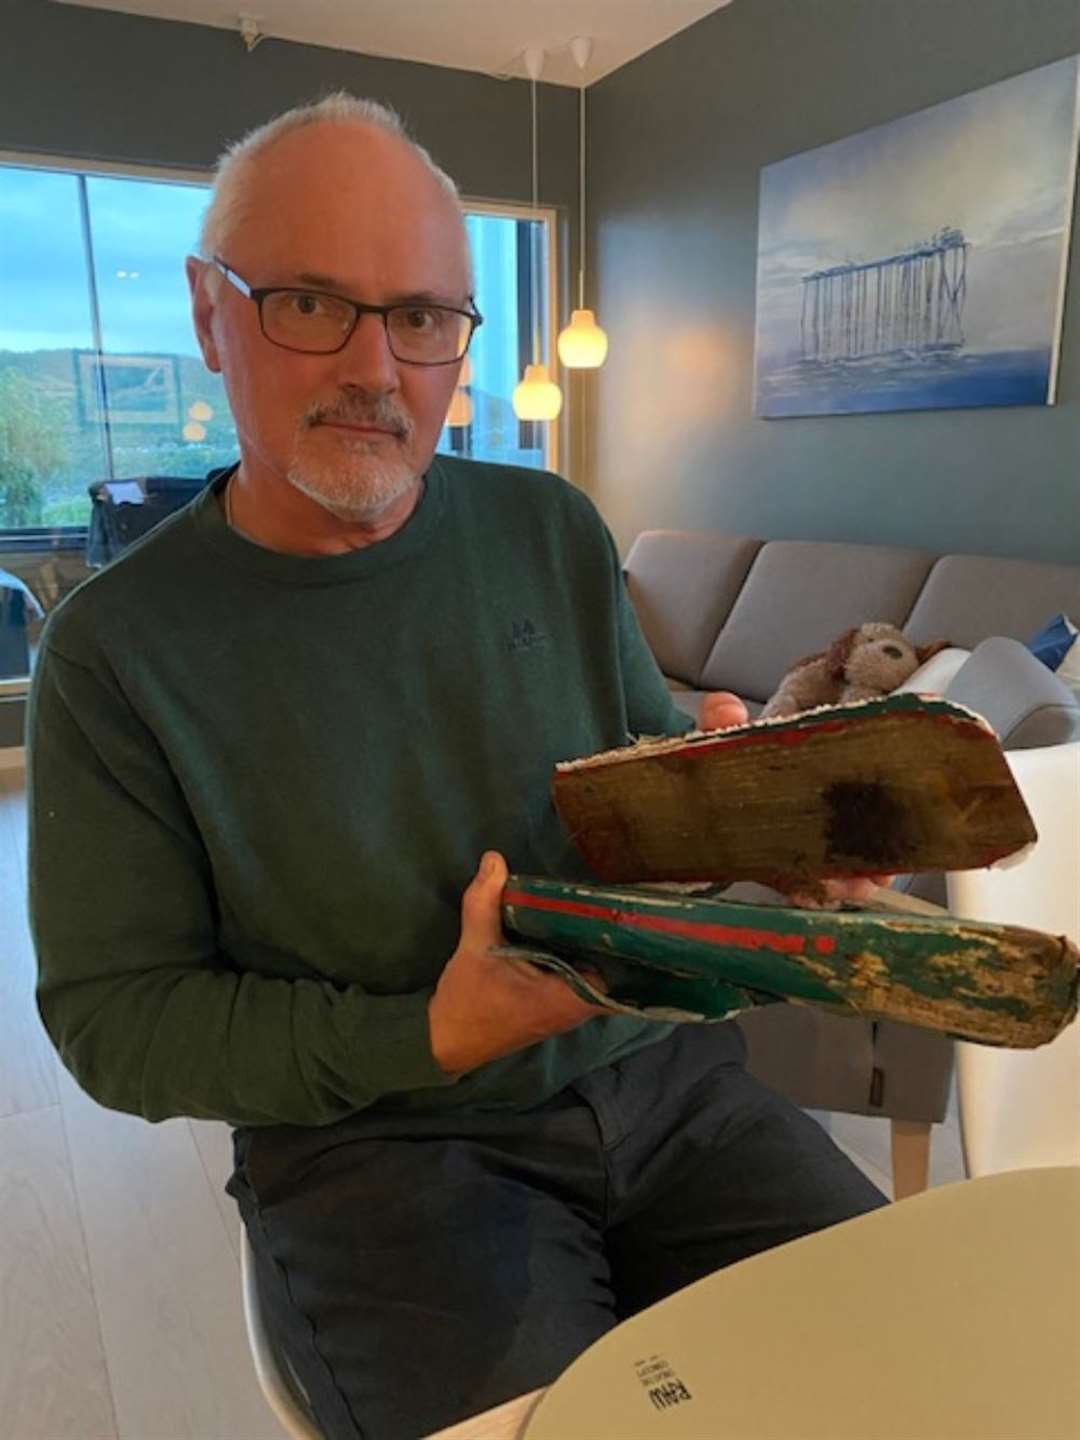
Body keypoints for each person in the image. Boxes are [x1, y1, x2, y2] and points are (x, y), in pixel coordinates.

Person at [29, 94, 885, 1440]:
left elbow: (628, 808)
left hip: (671, 1089)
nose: (376, 366)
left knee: (914, 1367)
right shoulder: (117, 654)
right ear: (210, 317)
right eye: (312, 302)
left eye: (423, 316)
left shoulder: (549, 526)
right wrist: (425, 1033)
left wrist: (741, 820)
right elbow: (114, 1023)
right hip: (383, 1148)